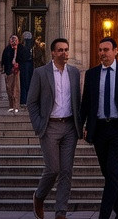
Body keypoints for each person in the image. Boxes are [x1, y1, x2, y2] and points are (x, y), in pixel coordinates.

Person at [80, 37, 118, 219]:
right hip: (99, 129)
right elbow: (85, 104)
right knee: (108, 174)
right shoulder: (91, 74)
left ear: (116, 51)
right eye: (100, 50)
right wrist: (82, 126)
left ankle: (104, 215)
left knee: (114, 172)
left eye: (106, 50)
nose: (102, 53)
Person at [27, 37, 82, 219]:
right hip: (50, 126)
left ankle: (61, 212)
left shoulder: (74, 73)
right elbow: (32, 102)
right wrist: (38, 124)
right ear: (52, 52)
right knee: (53, 169)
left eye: (66, 49)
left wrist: (81, 125)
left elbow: (78, 101)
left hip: (69, 127)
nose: (64, 53)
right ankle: (39, 196)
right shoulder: (41, 73)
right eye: (60, 50)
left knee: (66, 171)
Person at [1, 34, 29, 114]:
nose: (13, 42)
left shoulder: (22, 49)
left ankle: (16, 105)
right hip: (9, 72)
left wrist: (18, 64)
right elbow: (4, 60)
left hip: (18, 72)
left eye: (15, 40)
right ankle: (11, 105)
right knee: (9, 89)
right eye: (12, 40)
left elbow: (25, 59)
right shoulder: (7, 49)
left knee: (16, 89)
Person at [20, 31, 36, 106]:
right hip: (25, 65)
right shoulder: (23, 47)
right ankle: (24, 100)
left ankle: (26, 100)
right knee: (26, 83)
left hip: (28, 65)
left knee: (27, 83)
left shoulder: (29, 47)